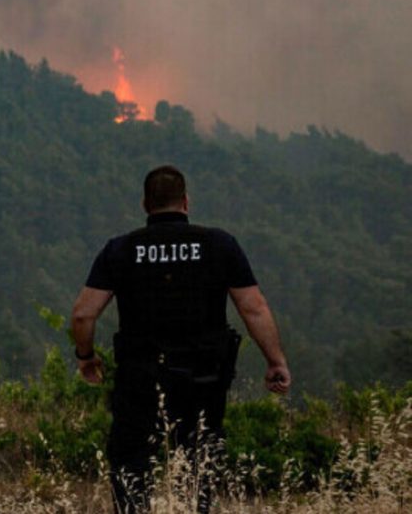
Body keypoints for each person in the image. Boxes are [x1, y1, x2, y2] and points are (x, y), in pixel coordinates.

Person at [70, 165, 290, 514]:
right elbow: (253, 308)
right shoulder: (219, 244)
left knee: (131, 463)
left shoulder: (121, 249)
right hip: (205, 375)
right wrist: (275, 361)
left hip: (140, 377)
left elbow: (83, 313)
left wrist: (85, 357)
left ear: (145, 204)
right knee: (201, 460)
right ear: (186, 202)